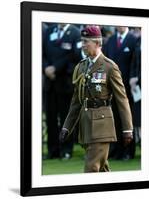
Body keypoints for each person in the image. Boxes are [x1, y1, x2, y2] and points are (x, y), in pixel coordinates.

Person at [59, 25, 133, 172]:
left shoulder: (109, 67)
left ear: (98, 43)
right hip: (85, 127)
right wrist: (67, 126)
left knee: (91, 169)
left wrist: (127, 129)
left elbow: (122, 99)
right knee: (102, 170)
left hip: (102, 127)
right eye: (82, 41)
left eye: (87, 41)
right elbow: (76, 101)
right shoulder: (81, 67)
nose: (83, 45)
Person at [43, 23, 82, 159]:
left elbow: (74, 57)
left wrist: (55, 68)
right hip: (50, 82)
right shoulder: (48, 31)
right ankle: (52, 150)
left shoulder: (76, 33)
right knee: (51, 119)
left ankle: (66, 149)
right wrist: (46, 68)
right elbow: (41, 53)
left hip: (65, 83)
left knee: (66, 119)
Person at [104, 26, 138, 160]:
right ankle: (116, 151)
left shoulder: (133, 40)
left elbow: (135, 64)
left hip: (127, 89)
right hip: (111, 88)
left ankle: (128, 151)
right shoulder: (111, 40)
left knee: (127, 121)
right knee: (114, 120)